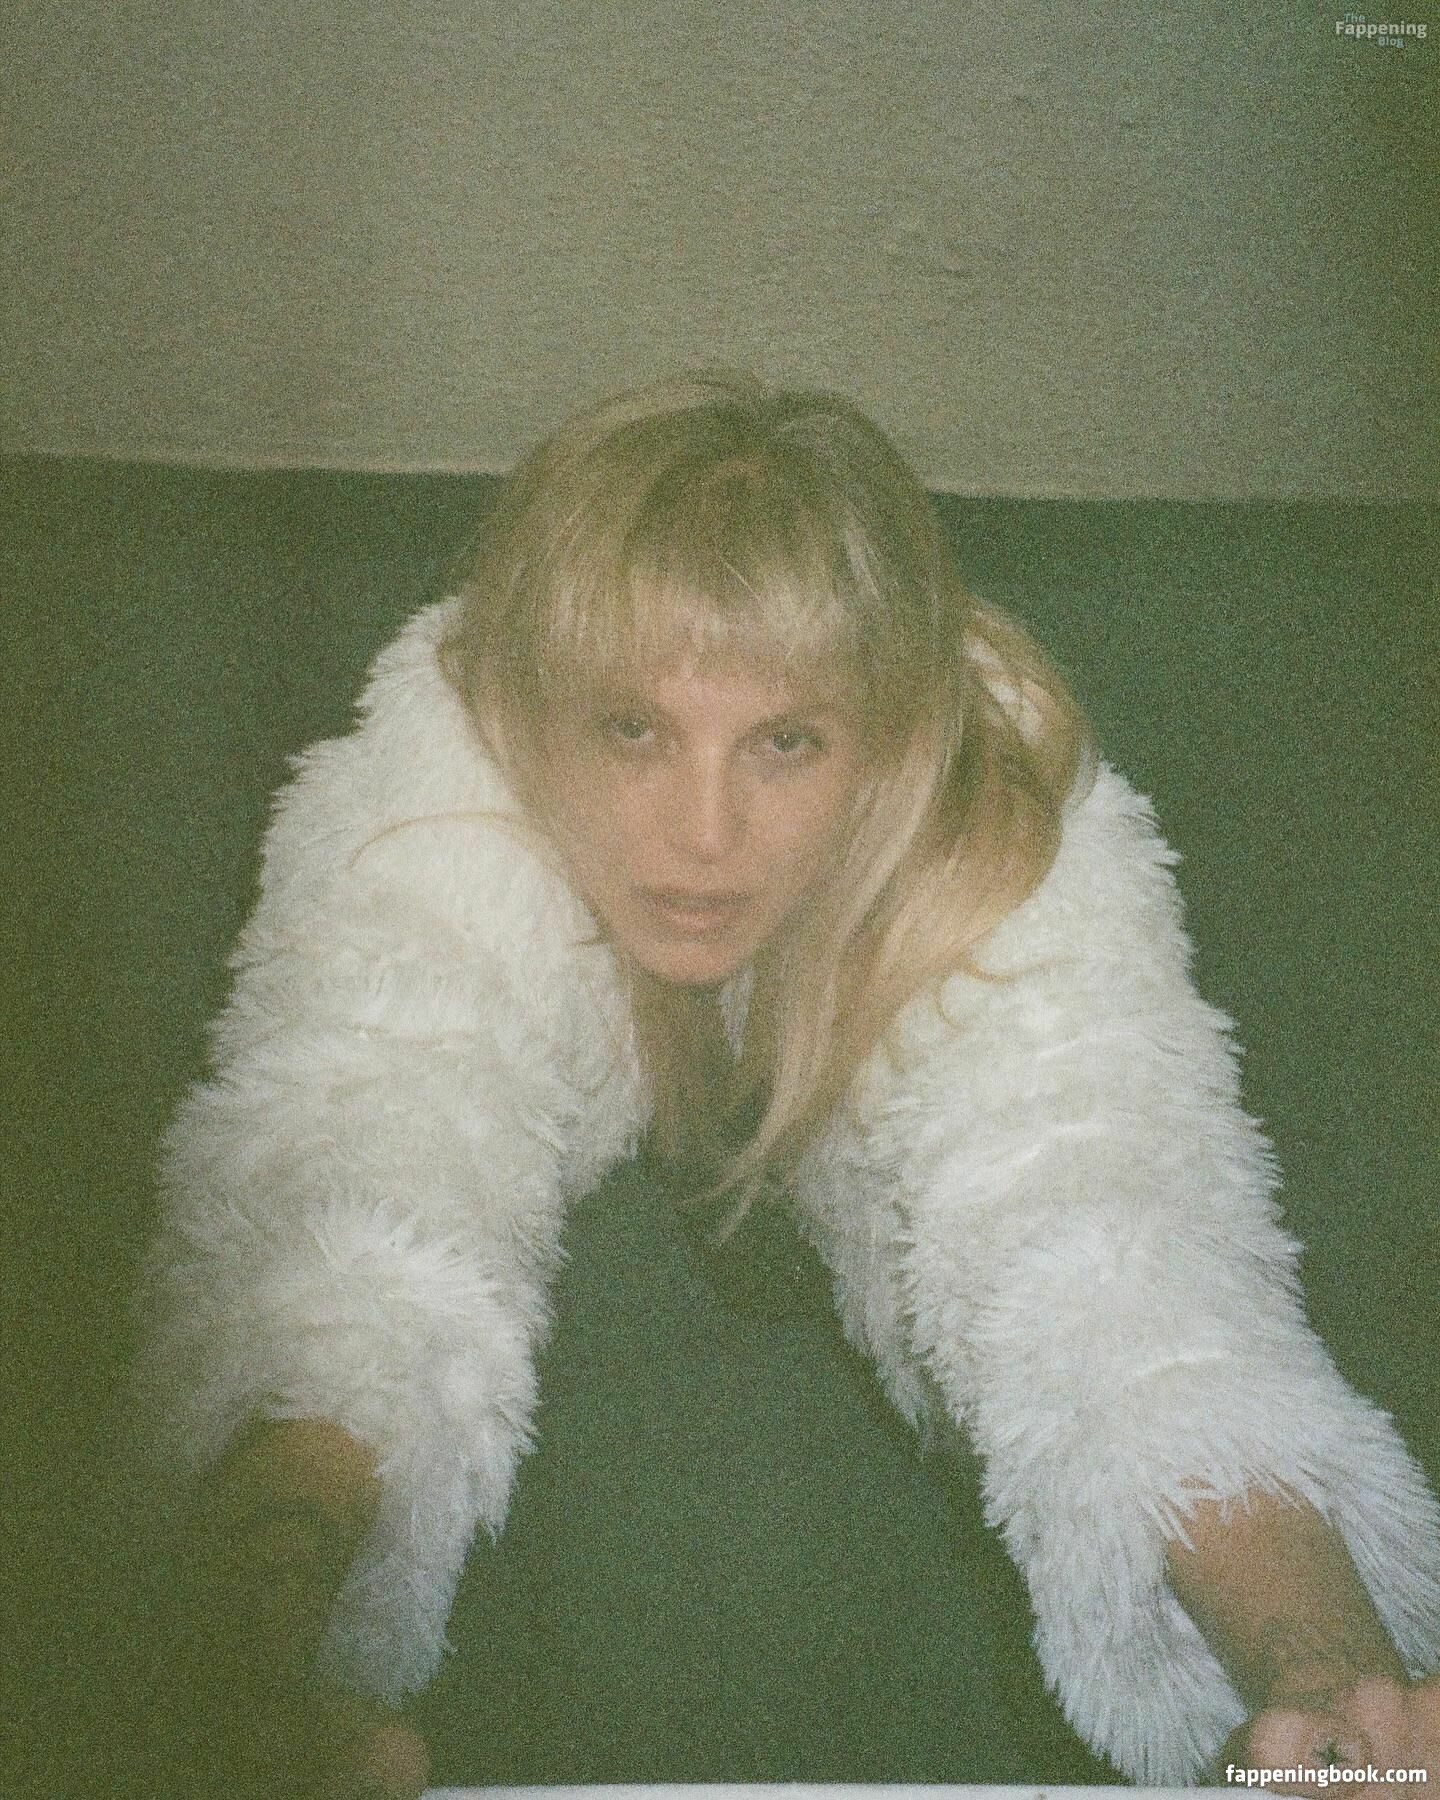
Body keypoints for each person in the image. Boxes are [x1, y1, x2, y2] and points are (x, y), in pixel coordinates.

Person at [133, 371, 1440, 1798]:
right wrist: (239, 1674)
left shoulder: (990, 810)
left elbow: (1106, 1248)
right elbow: (359, 1213)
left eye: (786, 742)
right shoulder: (441, 785)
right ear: (530, 715)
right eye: (633, 730)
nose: (704, 833)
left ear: (885, 748)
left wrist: (1326, 1684)